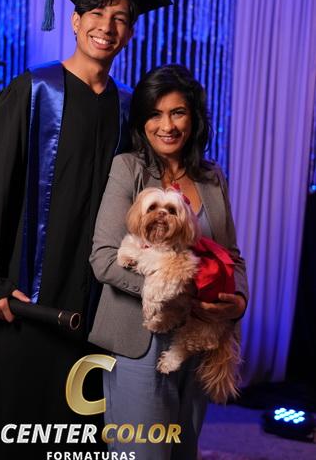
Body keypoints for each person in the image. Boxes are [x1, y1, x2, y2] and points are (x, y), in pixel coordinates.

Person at [0, 0, 171, 459]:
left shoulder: (129, 110)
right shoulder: (33, 92)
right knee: (17, 428)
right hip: (28, 295)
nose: (107, 26)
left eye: (120, 18)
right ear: (74, 21)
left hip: (99, 304)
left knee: (78, 436)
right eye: (96, 13)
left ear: (131, 32)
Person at [89, 64, 249, 460]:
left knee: (183, 451)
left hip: (197, 339)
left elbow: (232, 256)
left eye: (178, 112)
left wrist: (239, 302)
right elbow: (104, 259)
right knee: (142, 452)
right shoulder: (128, 168)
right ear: (142, 121)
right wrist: (169, 290)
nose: (167, 126)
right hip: (138, 338)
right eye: (155, 114)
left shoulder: (212, 177)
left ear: (193, 119)